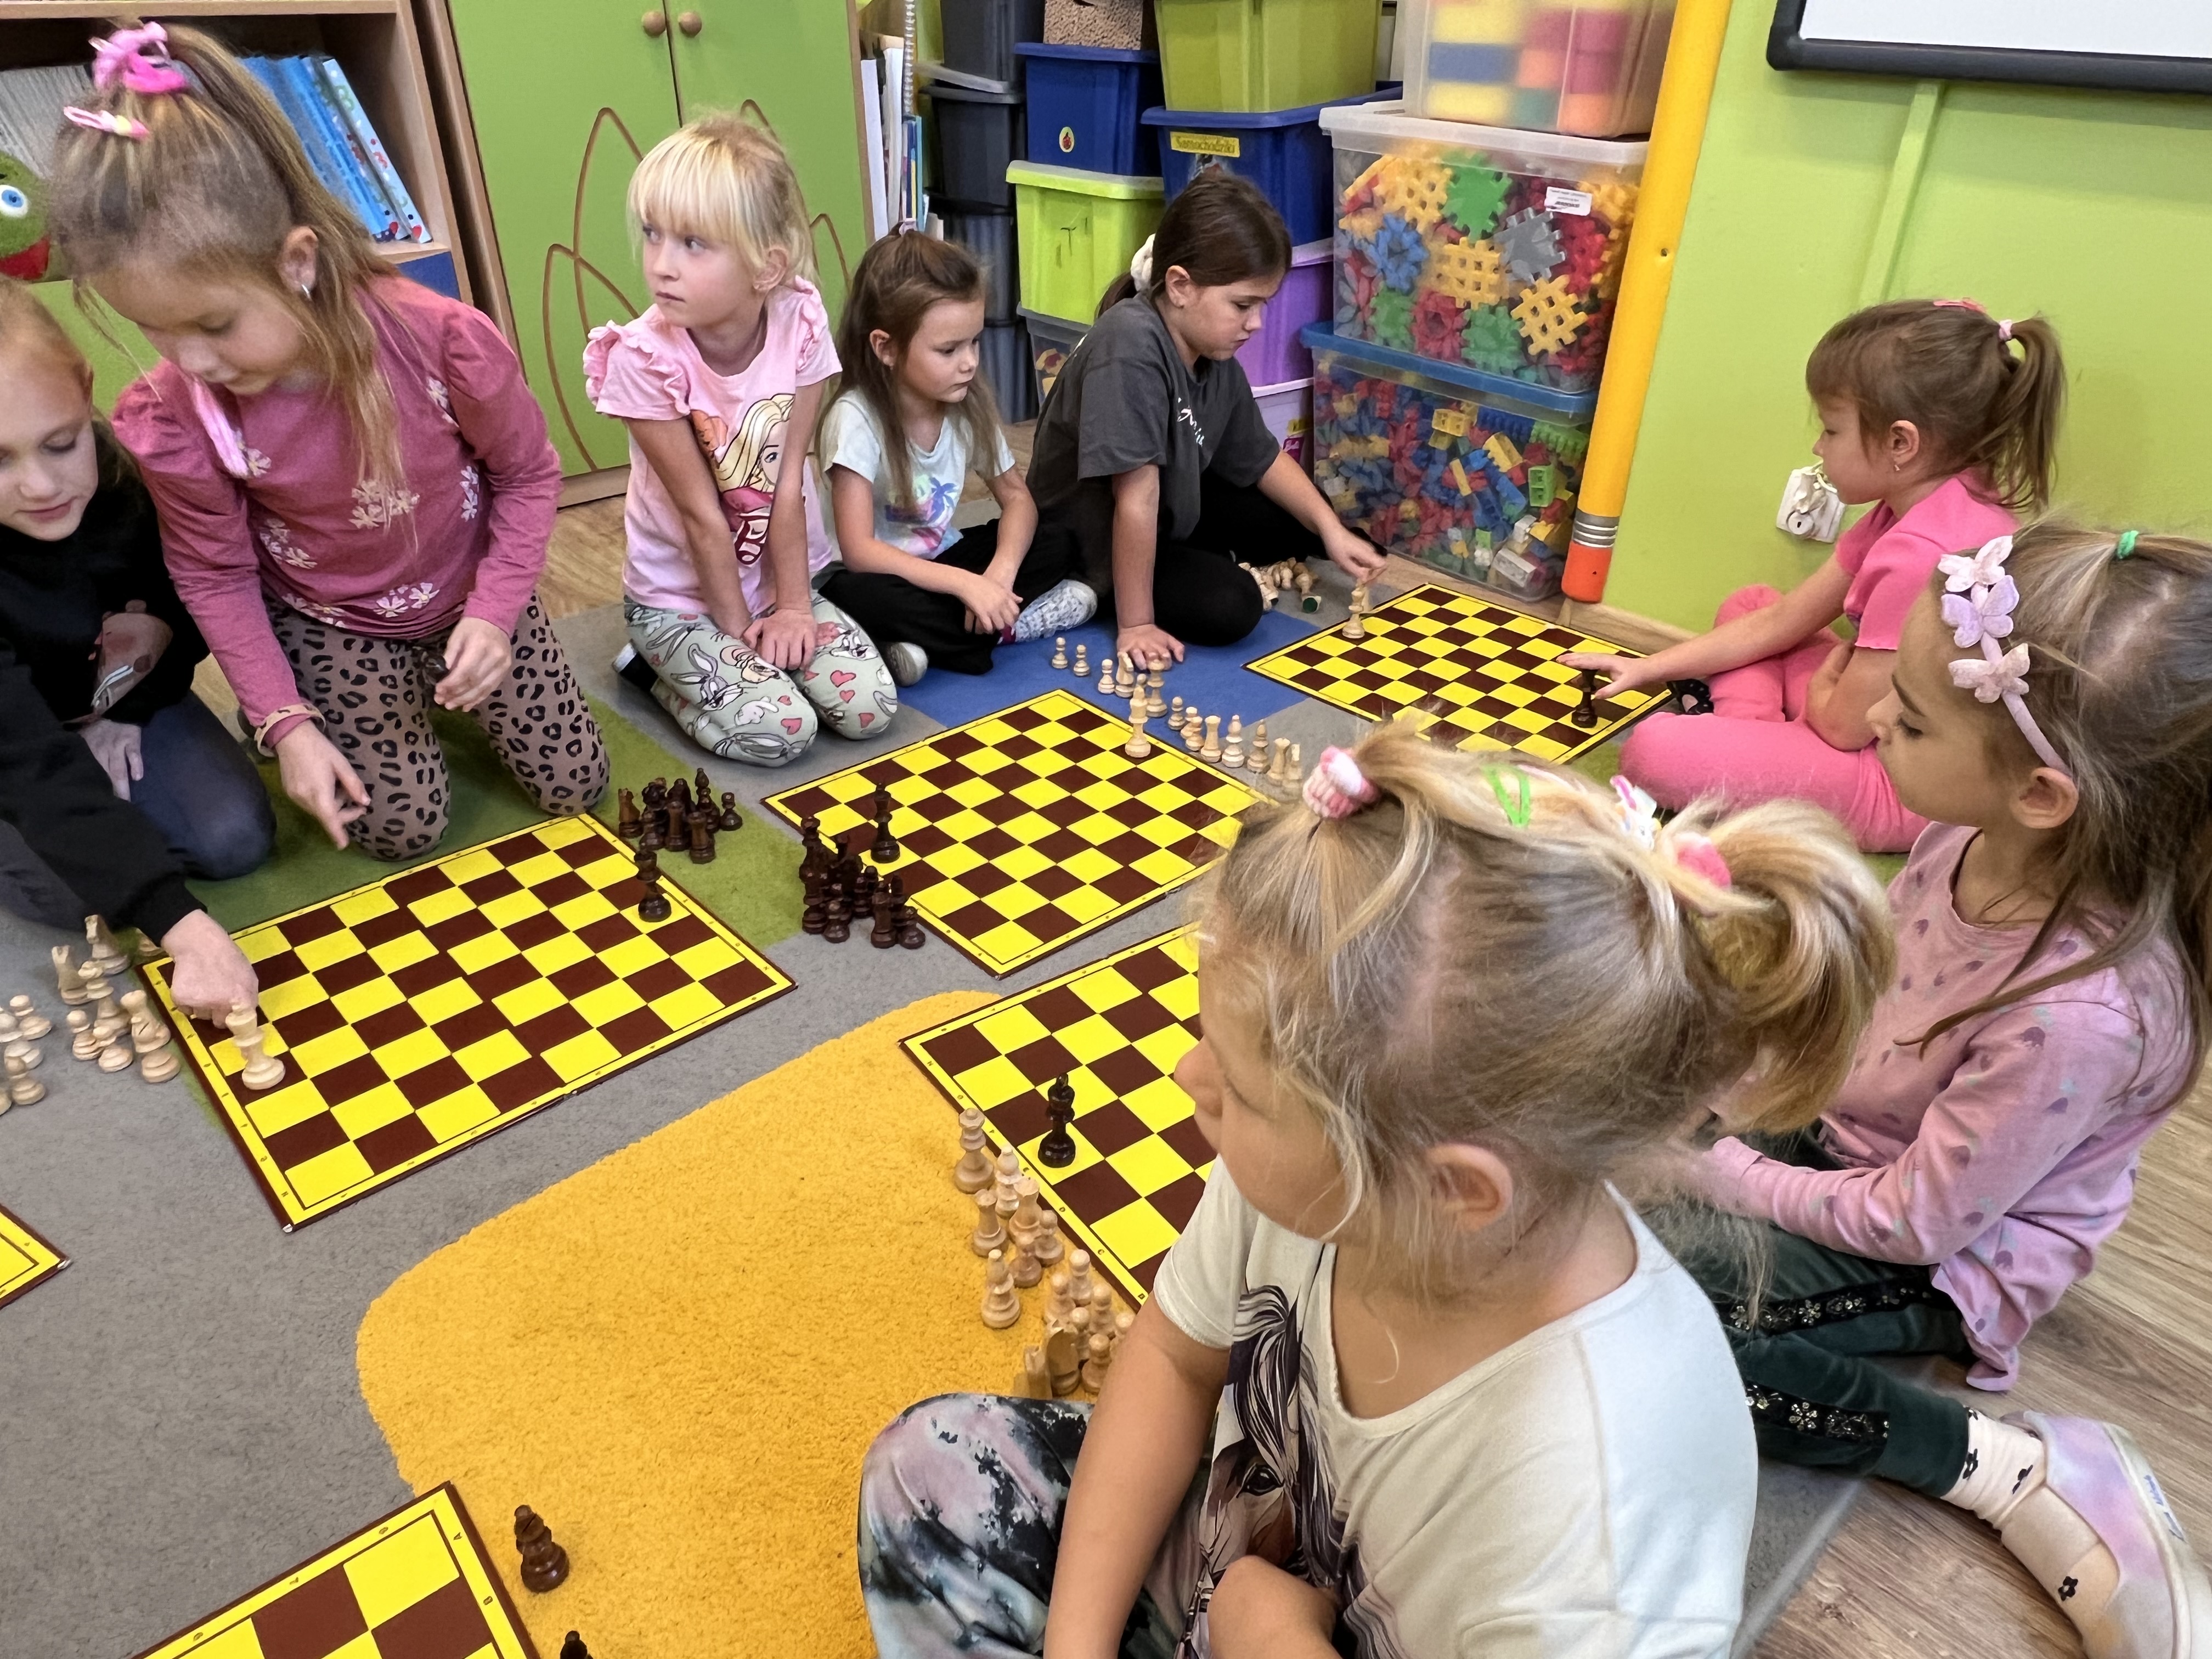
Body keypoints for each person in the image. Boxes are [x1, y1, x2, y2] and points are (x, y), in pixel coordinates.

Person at [857, 726, 1897, 1658]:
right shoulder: (1329, 1180)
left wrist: (1270, 1644)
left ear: (1450, 1189)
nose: (1187, 1078)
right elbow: (1174, 1358)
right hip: (1239, 1561)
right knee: (925, 1475)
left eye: (1243, 1090)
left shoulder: (1594, 1556)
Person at [1686, 524, 2212, 1658]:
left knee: (1674, 1331)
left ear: (2043, 793)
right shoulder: (1961, 836)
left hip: (1948, 1255)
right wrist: (1742, 1091)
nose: (1874, 714)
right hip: (1858, 1142)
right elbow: (1878, 997)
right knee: (1621, 1194)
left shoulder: (2074, 1016)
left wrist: (1729, 1170)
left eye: (1914, 717)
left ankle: (2002, 1467)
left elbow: (1917, 1221)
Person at [47, 25, 605, 864]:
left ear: (297, 262)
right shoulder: (172, 418)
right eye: (155, 330)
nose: (191, 361)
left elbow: (527, 478)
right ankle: (303, 698)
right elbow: (215, 574)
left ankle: (434, 679)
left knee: (576, 786)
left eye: (214, 325)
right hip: (332, 623)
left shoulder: (442, 342)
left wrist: (494, 616)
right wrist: (286, 722)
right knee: (398, 830)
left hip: (470, 593)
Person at [1566, 298, 2065, 852]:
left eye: (1831, 430)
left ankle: (1750, 746)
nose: (1818, 446)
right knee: (1753, 602)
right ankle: (1757, 740)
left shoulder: (1923, 554)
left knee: (1652, 750)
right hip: (1878, 714)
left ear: (1901, 443)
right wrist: (1647, 667)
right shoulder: (1923, 502)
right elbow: (1782, 618)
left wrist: (1823, 695)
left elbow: (1845, 728)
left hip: (1903, 781)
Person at [585, 116, 896, 764]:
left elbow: (789, 482)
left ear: (766, 267)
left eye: (694, 244)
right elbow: (701, 517)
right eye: (653, 234)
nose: (661, 265)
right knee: (783, 731)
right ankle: (650, 671)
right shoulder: (641, 358)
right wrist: (739, 636)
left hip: (777, 579)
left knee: (869, 711)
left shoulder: (800, 318)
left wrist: (794, 609)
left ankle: (734, 668)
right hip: (678, 601)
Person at [1025, 171, 1384, 669]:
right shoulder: (1129, 345)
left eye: (1261, 305)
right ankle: (1115, 591)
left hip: (1170, 503)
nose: (1256, 324)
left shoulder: (1213, 354)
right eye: (1242, 305)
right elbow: (1136, 498)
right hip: (1097, 536)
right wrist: (1137, 624)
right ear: (1180, 286)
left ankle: (1229, 550)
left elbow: (1262, 459)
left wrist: (1331, 530)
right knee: (1230, 607)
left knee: (1309, 516)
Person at [0, 277, 272, 926]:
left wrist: (125, 712)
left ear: (84, 390)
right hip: (14, 744)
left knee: (233, 838)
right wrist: (171, 916)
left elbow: (188, 615)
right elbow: (27, 757)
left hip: (116, 699)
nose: (41, 486)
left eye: (62, 443)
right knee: (80, 894)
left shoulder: (138, 483)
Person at [816, 230, 1094, 685]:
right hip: (873, 576)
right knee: (862, 598)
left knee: (1056, 541)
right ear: (886, 347)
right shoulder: (855, 418)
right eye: (949, 350)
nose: (969, 363)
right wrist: (967, 585)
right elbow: (859, 551)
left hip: (943, 559)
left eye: (974, 342)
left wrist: (999, 575)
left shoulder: (965, 403)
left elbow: (1018, 500)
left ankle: (932, 640)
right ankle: (1004, 628)